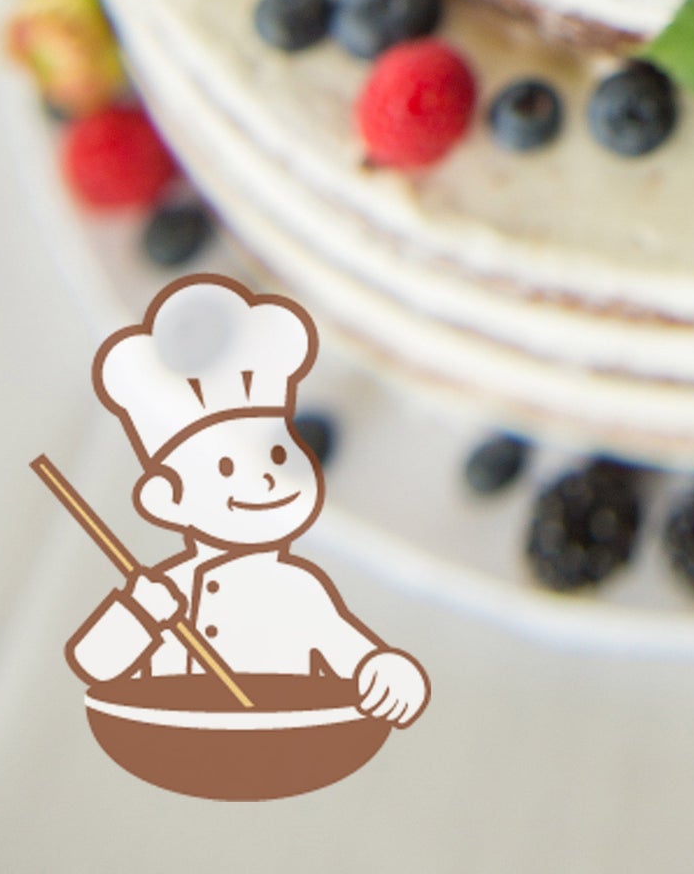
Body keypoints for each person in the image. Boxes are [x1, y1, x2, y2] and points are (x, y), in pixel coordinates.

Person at [64, 274, 427, 726]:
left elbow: (355, 653)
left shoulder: (300, 589)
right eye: (225, 471)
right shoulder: (170, 590)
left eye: (279, 455)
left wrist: (385, 672)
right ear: (167, 501)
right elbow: (95, 662)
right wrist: (139, 613)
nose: (267, 485)